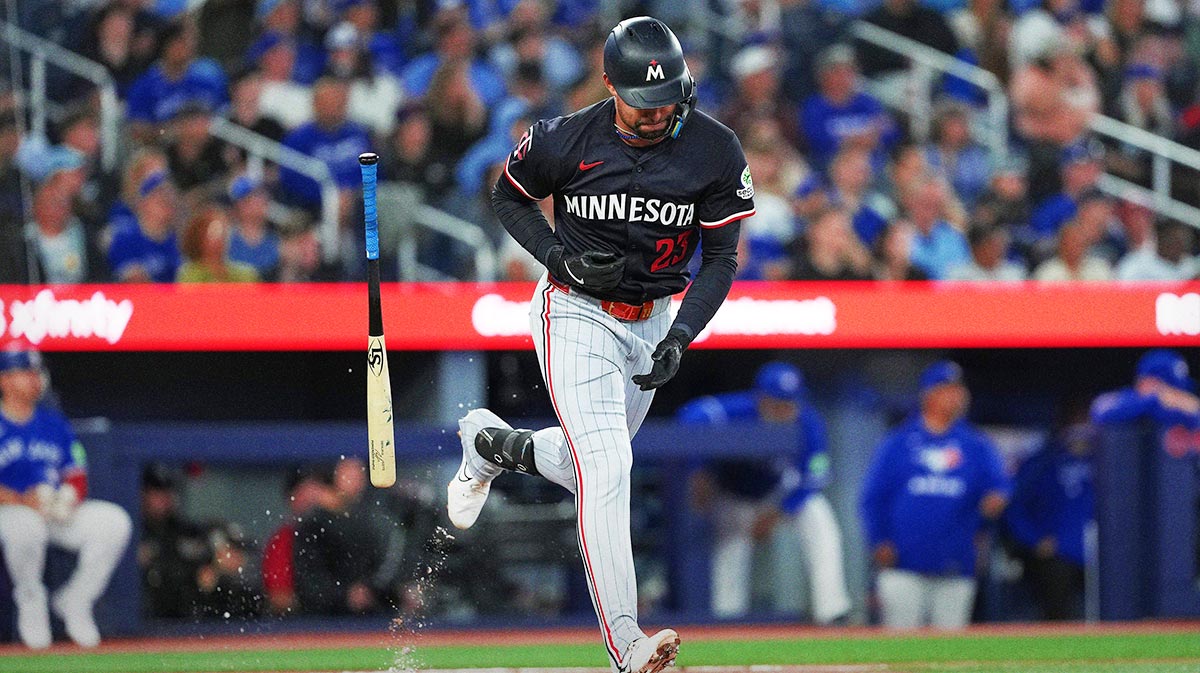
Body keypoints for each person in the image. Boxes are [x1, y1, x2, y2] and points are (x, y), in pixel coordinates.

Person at [447, 17, 756, 673]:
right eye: (643, 102)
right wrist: (558, 255)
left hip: (654, 317)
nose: (656, 113)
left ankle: (494, 446)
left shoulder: (714, 147)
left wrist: (682, 331)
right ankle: (627, 643)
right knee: (610, 466)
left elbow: (723, 257)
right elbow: (509, 194)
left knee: (592, 465)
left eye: (667, 97)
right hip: (577, 312)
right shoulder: (566, 137)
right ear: (610, 84)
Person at [677, 362, 852, 624]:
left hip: (777, 496)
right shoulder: (739, 410)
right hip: (734, 496)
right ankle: (727, 619)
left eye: (790, 402)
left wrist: (779, 512)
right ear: (761, 398)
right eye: (777, 402)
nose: (785, 409)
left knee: (818, 515)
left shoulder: (809, 422)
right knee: (732, 543)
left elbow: (815, 477)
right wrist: (699, 469)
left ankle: (833, 610)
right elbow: (690, 415)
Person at [860, 361, 1010, 629]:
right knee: (900, 651)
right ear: (929, 394)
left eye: (959, 389)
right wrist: (879, 539)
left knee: (949, 651)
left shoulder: (975, 445)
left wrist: (995, 500)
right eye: (947, 389)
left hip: (956, 562)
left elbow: (999, 487)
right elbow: (872, 498)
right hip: (902, 562)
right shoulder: (898, 442)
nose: (957, 396)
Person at [0, 346, 133, 648]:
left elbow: (76, 471)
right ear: (4, 380)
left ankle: (75, 600)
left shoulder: (54, 423)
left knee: (113, 522)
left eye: (36, 372)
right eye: (25, 373)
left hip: (51, 510)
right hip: (9, 513)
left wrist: (67, 497)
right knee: (25, 526)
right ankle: (31, 602)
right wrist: (21, 500)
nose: (34, 379)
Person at [1005, 420, 1094, 620]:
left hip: (1098, 556)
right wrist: (1034, 539)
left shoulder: (1109, 459)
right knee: (1058, 617)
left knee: (1108, 618)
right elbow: (1014, 507)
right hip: (1057, 554)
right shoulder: (1043, 462)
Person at [139, 462, 208, 619]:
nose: (163, 498)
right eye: (156, 492)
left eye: (166, 491)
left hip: (189, 618)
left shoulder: (187, 530)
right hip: (146, 619)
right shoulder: (135, 531)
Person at [1091, 349, 1200, 429]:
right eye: (1172, 389)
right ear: (1149, 381)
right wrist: (1155, 400)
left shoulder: (1179, 412)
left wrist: (1192, 409)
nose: (1178, 395)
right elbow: (1100, 411)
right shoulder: (1126, 399)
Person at [176, 206, 260, 283]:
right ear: (200, 237)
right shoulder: (189, 274)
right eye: (214, 232)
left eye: (224, 231)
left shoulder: (246, 273)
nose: (220, 237)